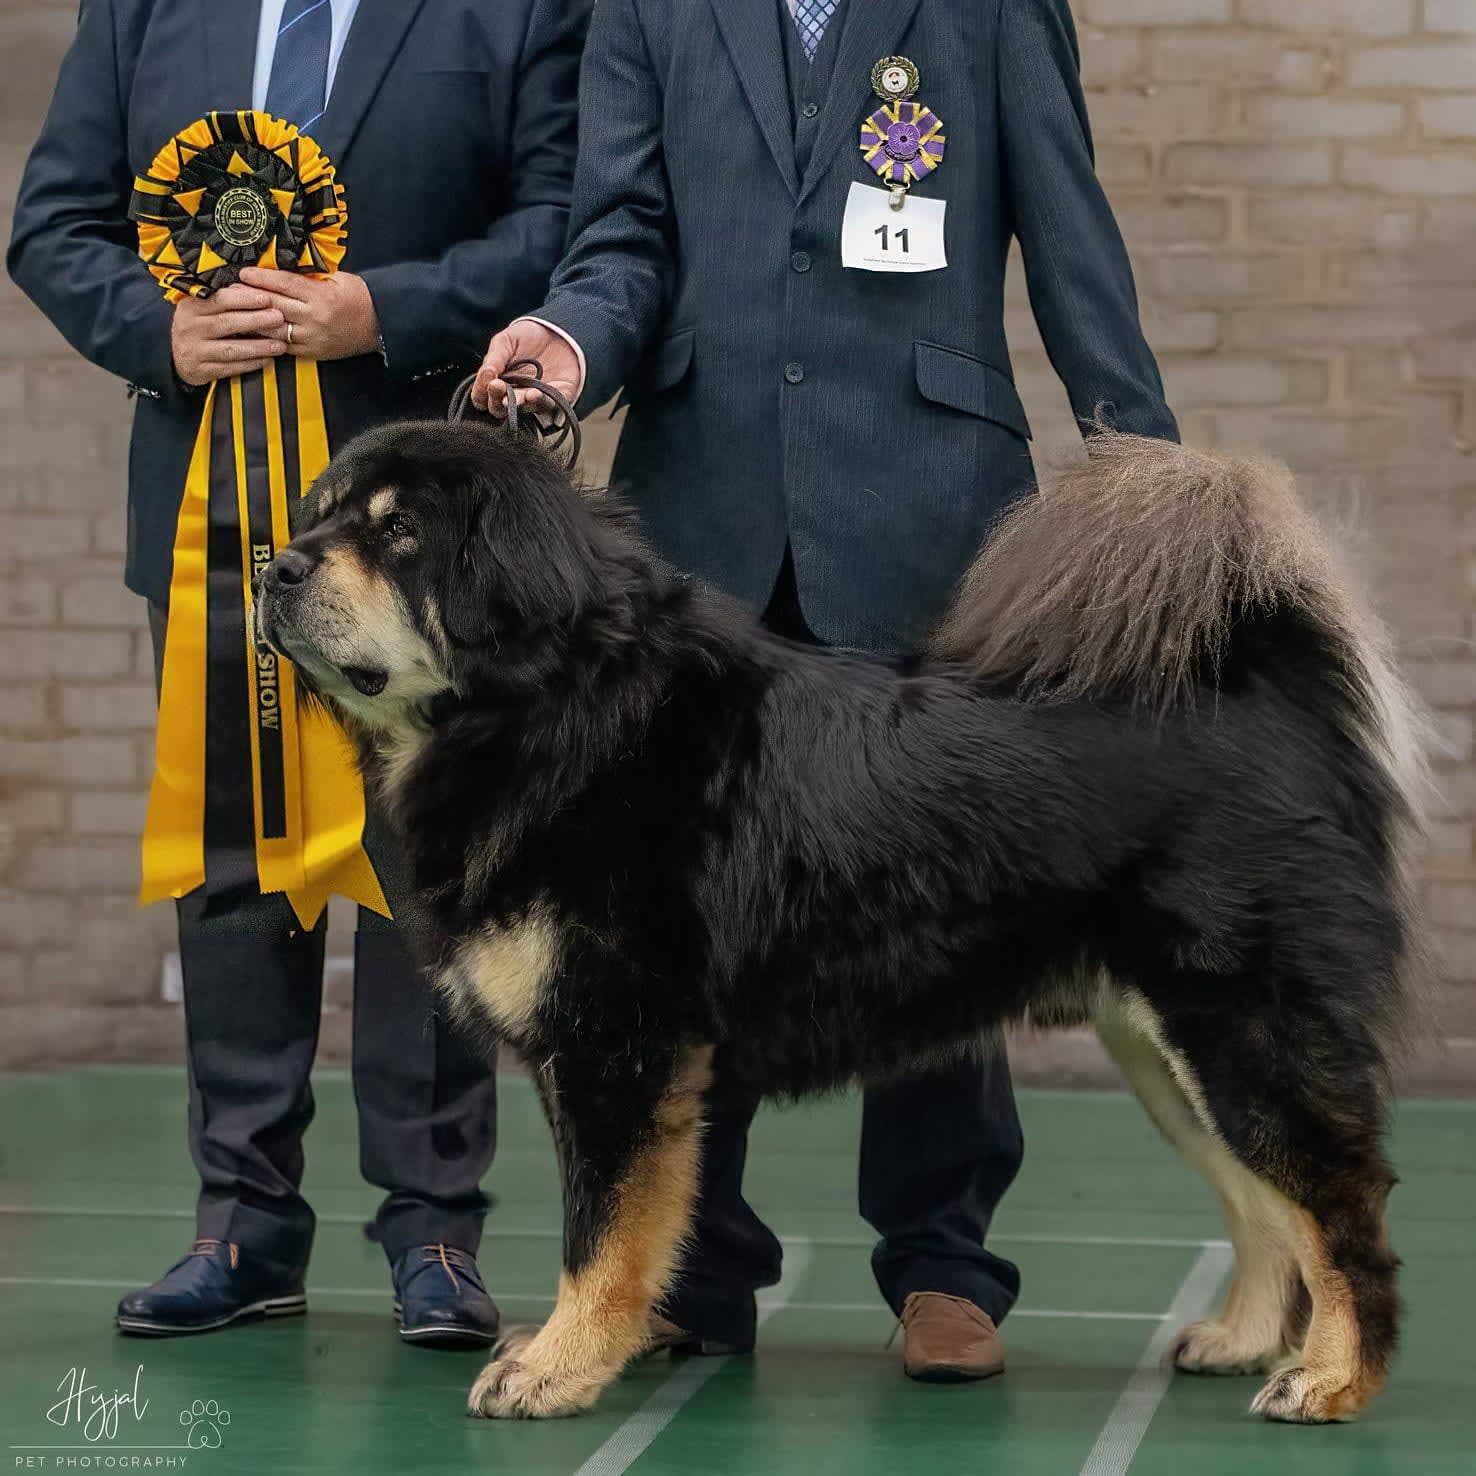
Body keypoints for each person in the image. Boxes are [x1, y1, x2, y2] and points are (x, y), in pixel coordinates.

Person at [475, 0, 1177, 1380]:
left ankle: (942, 1265)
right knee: (681, 910)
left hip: (928, 506)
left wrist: (1143, 482)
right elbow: (620, 236)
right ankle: (694, 1270)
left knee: (937, 889)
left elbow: (1070, 227)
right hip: (700, 512)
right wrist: (568, 338)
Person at [9, 0, 587, 1344]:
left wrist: (379, 309)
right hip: (207, 523)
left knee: (419, 870)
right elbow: (54, 224)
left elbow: (556, 224)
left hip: (420, 531)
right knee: (229, 869)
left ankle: (435, 1232)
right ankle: (241, 1226)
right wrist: (156, 333)